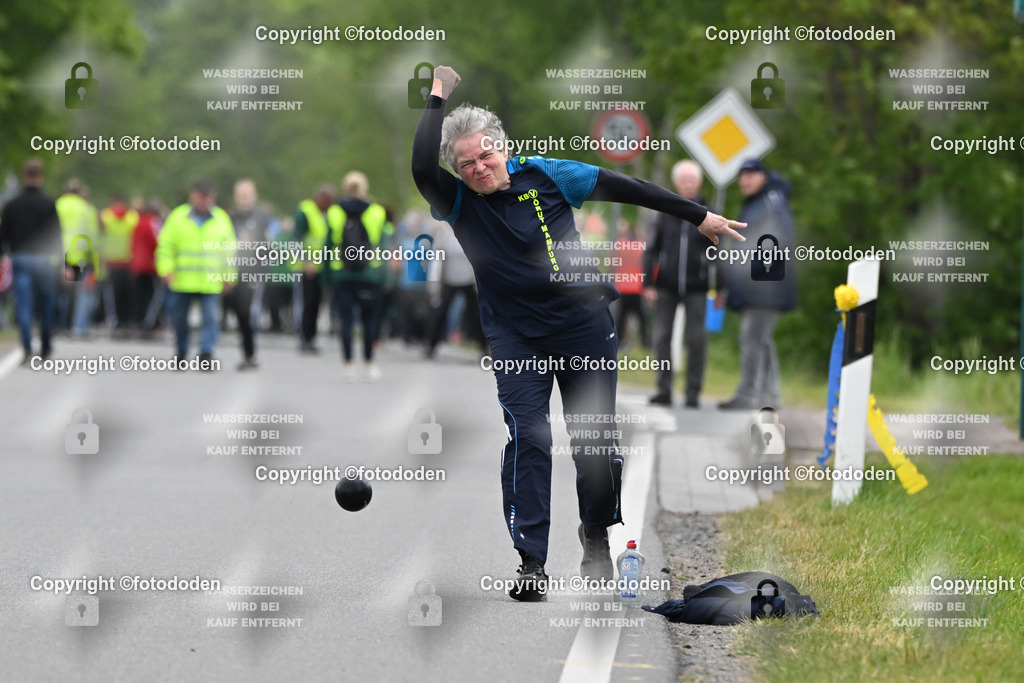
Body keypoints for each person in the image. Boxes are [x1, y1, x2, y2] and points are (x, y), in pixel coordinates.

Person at [411, 65, 746, 601]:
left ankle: (595, 534)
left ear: (503, 147)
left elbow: (628, 188)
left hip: (583, 328)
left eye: (485, 155)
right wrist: (436, 94)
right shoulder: (457, 202)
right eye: (466, 163)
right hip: (515, 336)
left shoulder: (549, 175)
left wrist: (697, 214)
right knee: (531, 437)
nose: (478, 168)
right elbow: (419, 164)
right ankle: (531, 562)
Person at [717, 159, 797, 411]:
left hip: (765, 286)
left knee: (752, 338)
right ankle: (770, 397)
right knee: (761, 340)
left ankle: (749, 395)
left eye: (751, 175)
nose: (745, 180)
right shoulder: (759, 201)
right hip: (758, 284)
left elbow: (777, 241)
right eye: (741, 175)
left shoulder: (770, 202)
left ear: (764, 176)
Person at [643, 160, 715, 408]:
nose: (688, 185)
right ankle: (663, 389)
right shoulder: (664, 210)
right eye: (684, 180)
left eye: (692, 180)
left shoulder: (709, 212)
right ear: (676, 183)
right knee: (662, 337)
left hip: (697, 285)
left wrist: (721, 285)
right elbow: (651, 248)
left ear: (699, 183)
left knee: (697, 340)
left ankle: (693, 392)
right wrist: (647, 283)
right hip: (666, 284)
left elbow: (719, 252)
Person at [155, 180, 236, 367]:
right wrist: (165, 269)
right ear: (193, 195)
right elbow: (165, 246)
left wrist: (229, 275)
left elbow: (229, 251)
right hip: (182, 280)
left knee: (210, 319)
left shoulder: (221, 219)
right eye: (200, 195)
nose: (203, 199)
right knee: (179, 320)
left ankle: (205, 353)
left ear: (212, 197)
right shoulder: (178, 217)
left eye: (207, 196)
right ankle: (181, 351)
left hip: (210, 282)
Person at [328, 171, 392, 381]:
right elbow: (383, 245)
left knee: (345, 321)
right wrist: (385, 276)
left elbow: (329, 244)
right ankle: (369, 363)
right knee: (369, 320)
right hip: (368, 272)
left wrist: (327, 275)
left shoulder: (335, 211)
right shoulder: (376, 212)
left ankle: (348, 365)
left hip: (343, 272)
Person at [0, 158, 63, 360]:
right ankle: (45, 346)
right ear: (41, 176)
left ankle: (27, 348)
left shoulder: (12, 205)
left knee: (24, 304)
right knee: (46, 304)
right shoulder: (50, 204)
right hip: (44, 259)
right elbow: (57, 236)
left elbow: (3, 235)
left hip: (21, 258)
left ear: (23, 175)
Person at [226, 178, 274, 370]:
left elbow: (270, 249)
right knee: (237, 314)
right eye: (241, 195)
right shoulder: (229, 219)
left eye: (247, 195)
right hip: (232, 274)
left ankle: (251, 354)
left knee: (248, 313)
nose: (244, 199)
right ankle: (245, 352)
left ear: (254, 196)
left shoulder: (261, 221)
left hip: (252, 275)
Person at [424, 221, 485, 358]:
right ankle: (431, 346)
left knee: (475, 315)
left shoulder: (473, 233)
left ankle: (483, 348)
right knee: (439, 314)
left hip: (469, 281)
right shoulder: (444, 236)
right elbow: (436, 262)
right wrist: (433, 285)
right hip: (449, 280)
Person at [293, 184, 338, 353]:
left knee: (317, 305)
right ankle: (304, 338)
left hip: (322, 268)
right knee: (306, 304)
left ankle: (311, 337)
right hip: (306, 268)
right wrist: (305, 262)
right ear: (320, 198)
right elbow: (296, 239)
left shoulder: (328, 214)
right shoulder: (305, 211)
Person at [55, 178, 102, 337]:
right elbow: (92, 235)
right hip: (79, 255)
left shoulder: (58, 205)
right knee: (81, 294)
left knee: (61, 293)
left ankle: (60, 325)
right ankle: (79, 327)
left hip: (58, 254)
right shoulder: (86, 208)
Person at [99, 194, 139, 337]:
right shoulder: (133, 218)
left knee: (112, 295)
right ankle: (127, 321)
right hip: (128, 261)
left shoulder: (105, 216)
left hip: (110, 261)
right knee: (127, 295)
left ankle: (114, 321)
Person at [129, 197, 165, 337]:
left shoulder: (137, 222)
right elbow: (159, 241)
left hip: (137, 264)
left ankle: (138, 321)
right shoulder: (153, 222)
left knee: (140, 295)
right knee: (155, 295)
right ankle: (148, 323)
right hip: (151, 265)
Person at [612, 220, 648, 349]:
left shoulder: (620, 244)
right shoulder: (641, 246)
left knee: (621, 318)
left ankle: (619, 342)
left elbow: (613, 264)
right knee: (642, 318)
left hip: (622, 287)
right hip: (637, 287)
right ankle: (646, 343)